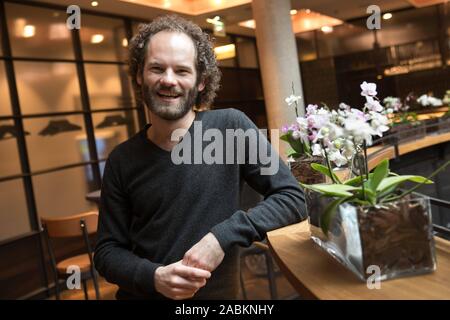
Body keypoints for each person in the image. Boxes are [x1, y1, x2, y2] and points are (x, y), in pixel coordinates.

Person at [94, 14, 306, 300]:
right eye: (157, 68)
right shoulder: (121, 159)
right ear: (139, 75)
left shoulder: (231, 128)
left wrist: (220, 238)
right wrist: (155, 277)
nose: (168, 80)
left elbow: (293, 198)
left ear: (201, 82)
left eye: (182, 70)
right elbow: (107, 253)